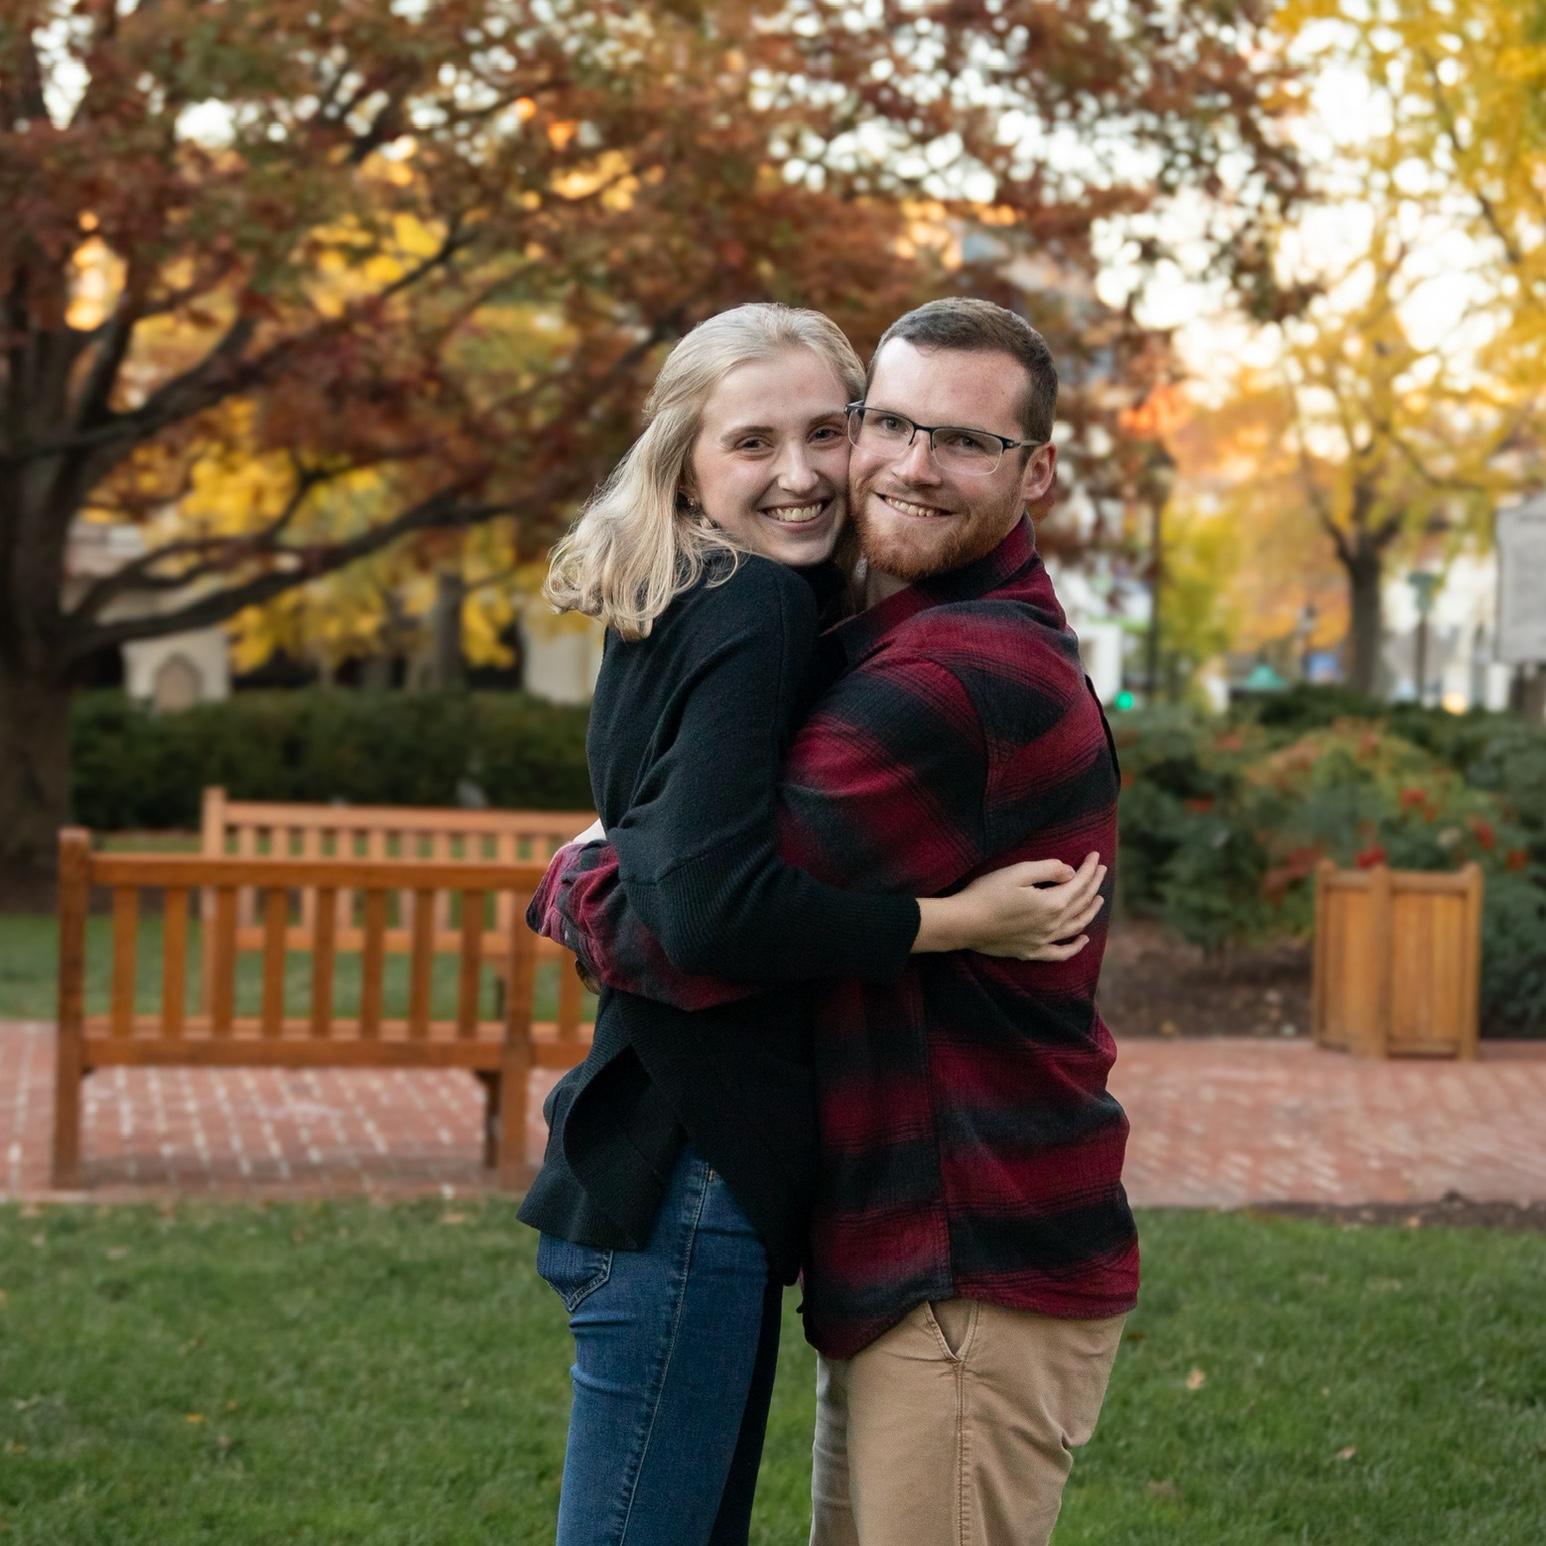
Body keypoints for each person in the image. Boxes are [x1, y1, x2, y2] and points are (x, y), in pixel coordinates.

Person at [534, 297, 1137, 1546]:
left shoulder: (946, 678)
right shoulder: (842, 628)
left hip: (971, 1246)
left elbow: (693, 924)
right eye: (892, 423)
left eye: (965, 441)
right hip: (912, 1245)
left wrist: (575, 870)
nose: (911, 463)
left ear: (1035, 470)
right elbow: (707, 888)